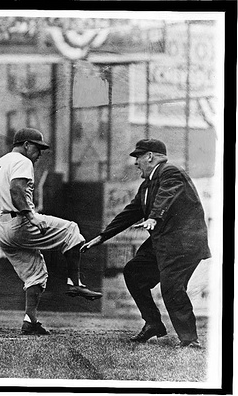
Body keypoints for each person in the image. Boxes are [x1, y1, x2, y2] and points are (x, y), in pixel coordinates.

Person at [81, 138, 211, 348]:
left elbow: (167, 195)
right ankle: (153, 323)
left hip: (184, 245)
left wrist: (154, 217)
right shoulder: (147, 185)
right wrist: (102, 237)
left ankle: (189, 339)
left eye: (138, 157)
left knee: (172, 287)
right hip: (164, 244)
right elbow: (130, 212)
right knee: (134, 272)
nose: (135, 162)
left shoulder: (171, 172)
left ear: (150, 156)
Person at [0, 128, 102, 336]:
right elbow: (17, 189)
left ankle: (30, 321)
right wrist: (30, 216)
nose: (40, 153)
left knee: (36, 274)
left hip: (1, 227)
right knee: (72, 230)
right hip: (19, 221)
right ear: (26, 145)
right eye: (38, 147)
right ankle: (75, 283)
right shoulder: (22, 161)